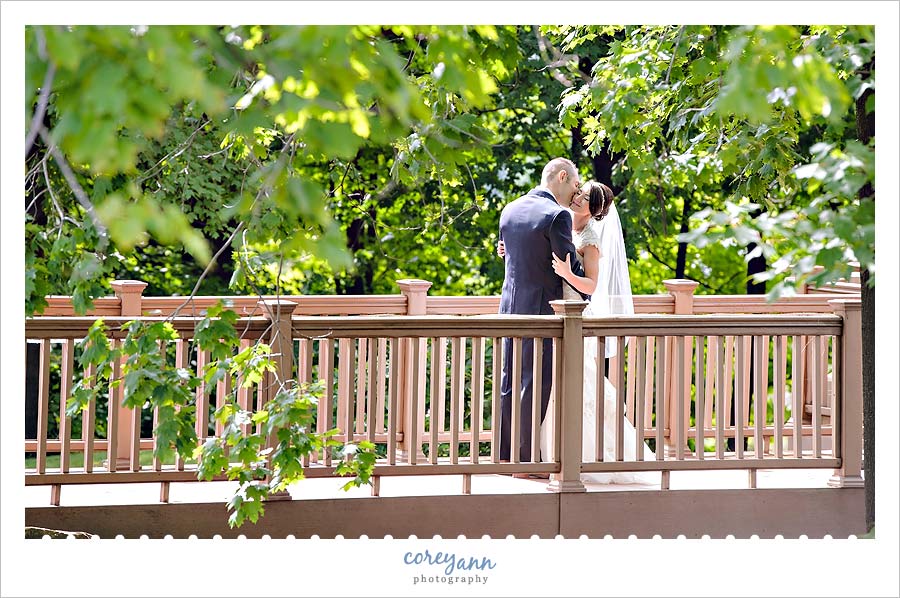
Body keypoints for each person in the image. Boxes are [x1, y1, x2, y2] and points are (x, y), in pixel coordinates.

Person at [499, 181, 657, 485]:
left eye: (583, 199)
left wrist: (569, 274)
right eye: (577, 193)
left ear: (593, 210)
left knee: (572, 386)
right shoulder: (561, 226)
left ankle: (574, 457)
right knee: (552, 387)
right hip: (554, 314)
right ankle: (544, 454)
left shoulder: (590, 239)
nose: (576, 199)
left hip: (571, 317)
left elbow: (592, 286)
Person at [497, 157, 587, 472]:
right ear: (562, 177)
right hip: (541, 309)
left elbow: (506, 253)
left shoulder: (509, 209)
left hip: (509, 306)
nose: (576, 192)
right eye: (575, 184)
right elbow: (568, 268)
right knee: (534, 382)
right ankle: (525, 461)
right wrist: (588, 276)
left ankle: (506, 454)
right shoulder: (557, 216)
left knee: (509, 378)